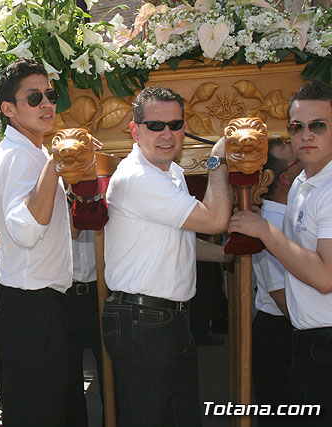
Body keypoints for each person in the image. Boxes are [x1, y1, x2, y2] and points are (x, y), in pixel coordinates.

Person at [102, 86, 231, 426]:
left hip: (169, 319)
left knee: (181, 418)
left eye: (175, 124)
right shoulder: (138, 178)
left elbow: (180, 242)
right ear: (135, 129)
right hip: (141, 321)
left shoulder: (169, 173)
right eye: (155, 125)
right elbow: (215, 220)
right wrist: (218, 160)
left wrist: (229, 255)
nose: (167, 134)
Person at [229, 79, 332, 426]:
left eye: (318, 125)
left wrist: (264, 231)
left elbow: (325, 277)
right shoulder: (304, 183)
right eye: (297, 127)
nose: (306, 136)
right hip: (306, 342)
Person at [0, 58, 72, 427]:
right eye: (34, 98)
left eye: (50, 95)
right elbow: (25, 231)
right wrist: (54, 164)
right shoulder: (20, 157)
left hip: (39, 306)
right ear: (9, 109)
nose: (47, 104)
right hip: (31, 308)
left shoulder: (31, 151)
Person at [250, 137, 302, 426]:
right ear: (284, 177)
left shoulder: (293, 210)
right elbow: (280, 293)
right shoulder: (266, 221)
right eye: (298, 160)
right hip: (282, 332)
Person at [65, 226, 103, 427]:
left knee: (110, 374)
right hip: (66, 294)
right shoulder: (55, 195)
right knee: (69, 377)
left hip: (102, 291)